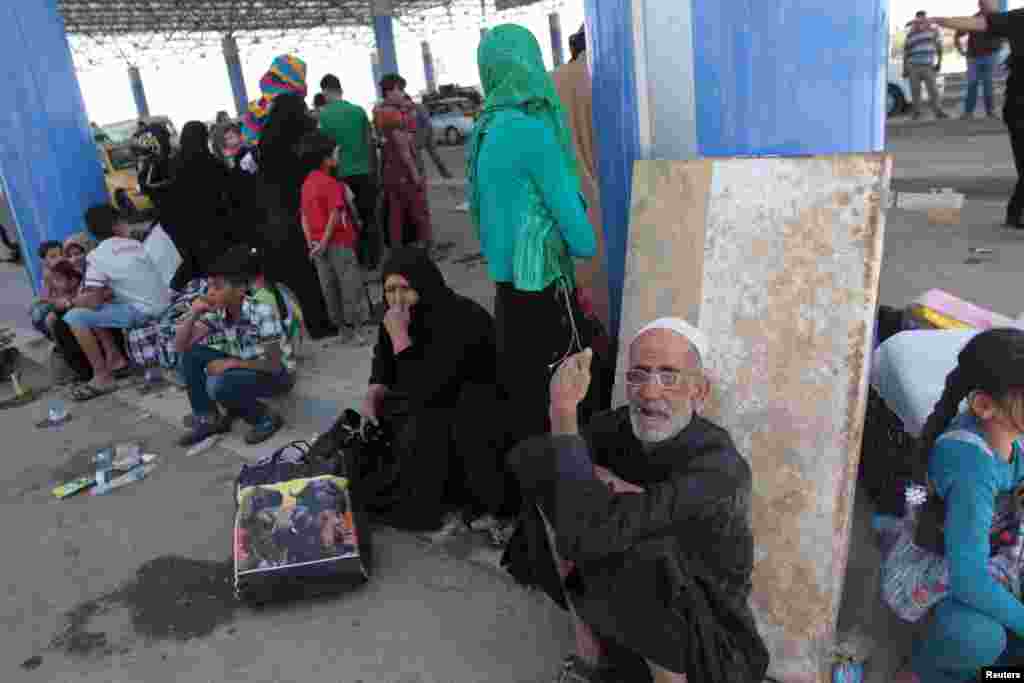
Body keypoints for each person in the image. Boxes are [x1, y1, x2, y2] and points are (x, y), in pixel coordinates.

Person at [505, 318, 769, 683]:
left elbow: (588, 533)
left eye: (669, 376)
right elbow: (527, 458)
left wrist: (565, 418)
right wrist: (601, 479)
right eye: (639, 375)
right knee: (558, 485)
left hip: (708, 644)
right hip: (630, 620)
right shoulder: (621, 428)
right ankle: (590, 653)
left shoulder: (719, 468)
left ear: (700, 391)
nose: (649, 392)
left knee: (645, 552)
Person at [467, 24, 600, 456]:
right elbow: (583, 241)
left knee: (528, 424)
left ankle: (534, 518)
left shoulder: (483, 132)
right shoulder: (532, 131)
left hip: (509, 305)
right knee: (565, 424)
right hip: (547, 307)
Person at [890, 329, 1024, 683]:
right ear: (984, 406)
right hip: (944, 572)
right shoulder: (971, 468)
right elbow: (968, 580)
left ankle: (1002, 670)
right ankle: (921, 673)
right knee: (979, 638)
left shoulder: (1006, 437)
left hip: (989, 549)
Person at [360, 247, 510, 540]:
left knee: (422, 432)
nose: (398, 299)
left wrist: (401, 339)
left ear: (424, 284)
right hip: (428, 401)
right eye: (390, 290)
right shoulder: (393, 319)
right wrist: (373, 392)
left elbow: (430, 388)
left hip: (471, 409)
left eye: (406, 288)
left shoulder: (461, 318)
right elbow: (384, 366)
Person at [174, 245, 295, 447]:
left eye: (218, 287)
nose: (210, 293)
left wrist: (230, 363)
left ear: (239, 290)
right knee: (191, 354)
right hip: (246, 368)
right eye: (210, 287)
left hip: (278, 375)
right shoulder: (219, 313)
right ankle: (208, 418)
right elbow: (180, 346)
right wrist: (193, 313)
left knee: (219, 383)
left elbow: (274, 365)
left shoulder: (261, 312)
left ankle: (264, 417)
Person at [63, 205, 171, 401]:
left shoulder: (97, 256)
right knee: (95, 310)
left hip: (142, 312)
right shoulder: (136, 245)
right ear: (116, 225)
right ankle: (115, 358)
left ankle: (102, 376)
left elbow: (93, 301)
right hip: (163, 305)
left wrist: (73, 301)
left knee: (74, 316)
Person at [933, 8, 1024, 228]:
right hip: (1020, 106)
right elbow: (978, 24)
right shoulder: (1018, 18)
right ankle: (1015, 213)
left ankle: (1015, 213)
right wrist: (940, 20)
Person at [256, 92, 335, 339]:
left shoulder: (267, 137)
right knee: (306, 275)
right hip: (294, 214)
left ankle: (280, 329)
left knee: (281, 281)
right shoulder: (297, 139)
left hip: (269, 217)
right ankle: (319, 325)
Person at [552, 24, 610, 334]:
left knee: (582, 315)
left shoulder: (549, 83)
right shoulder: (610, 77)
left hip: (567, 211)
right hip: (613, 203)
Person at [298, 131, 369, 344]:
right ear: (326, 159)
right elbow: (336, 214)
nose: (338, 156)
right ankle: (355, 331)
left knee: (329, 288)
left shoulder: (307, 183)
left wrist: (312, 242)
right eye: (336, 152)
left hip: (318, 245)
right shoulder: (330, 183)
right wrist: (325, 241)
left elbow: (303, 216)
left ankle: (342, 332)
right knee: (349, 285)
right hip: (339, 243)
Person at [318, 74, 381, 270]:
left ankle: (359, 260)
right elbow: (371, 142)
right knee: (370, 216)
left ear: (326, 92)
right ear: (340, 89)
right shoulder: (358, 111)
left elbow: (323, 149)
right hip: (365, 172)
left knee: (349, 221)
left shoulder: (323, 116)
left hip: (340, 176)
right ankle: (374, 260)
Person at [164, 121, 236, 288]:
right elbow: (229, 193)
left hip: (186, 230)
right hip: (216, 229)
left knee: (196, 269)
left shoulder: (173, 165)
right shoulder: (214, 164)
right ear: (204, 138)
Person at [376, 74, 434, 256]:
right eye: (399, 89)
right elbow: (403, 148)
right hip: (403, 171)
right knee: (418, 211)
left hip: (389, 171)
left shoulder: (379, 111)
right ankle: (426, 249)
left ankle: (396, 251)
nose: (402, 93)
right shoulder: (392, 114)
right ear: (390, 90)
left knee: (396, 214)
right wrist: (415, 173)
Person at [956, 0, 1003, 120]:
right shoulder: (973, 19)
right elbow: (958, 34)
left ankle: (990, 112)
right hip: (973, 58)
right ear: (979, 5)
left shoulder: (998, 18)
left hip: (991, 56)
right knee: (972, 84)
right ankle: (968, 113)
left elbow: (1007, 34)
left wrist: (999, 48)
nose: (986, 5)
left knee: (988, 84)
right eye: (983, 3)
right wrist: (960, 50)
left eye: (987, 3)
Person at [29, 241, 81, 340]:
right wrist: (39, 301)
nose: (59, 258)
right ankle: (55, 342)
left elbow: (76, 290)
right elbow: (47, 294)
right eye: (53, 256)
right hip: (60, 302)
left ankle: (59, 343)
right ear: (44, 261)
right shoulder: (47, 273)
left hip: (73, 301)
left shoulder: (70, 268)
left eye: (61, 254)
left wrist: (61, 300)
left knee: (49, 318)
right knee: (36, 312)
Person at [905, 11, 950, 120]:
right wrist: (905, 68)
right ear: (916, 20)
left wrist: (939, 62)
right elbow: (906, 52)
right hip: (913, 66)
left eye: (923, 20)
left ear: (926, 20)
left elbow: (939, 48)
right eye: (918, 20)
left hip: (928, 66)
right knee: (915, 91)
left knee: (933, 91)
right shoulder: (910, 34)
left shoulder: (934, 31)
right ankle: (917, 113)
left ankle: (938, 111)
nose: (920, 22)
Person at [406, 94, 452, 180]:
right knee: (417, 159)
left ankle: (445, 173)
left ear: (409, 100)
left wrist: (423, 138)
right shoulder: (406, 110)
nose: (404, 105)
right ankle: (422, 176)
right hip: (416, 136)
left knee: (435, 156)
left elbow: (427, 123)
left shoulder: (419, 107)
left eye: (405, 102)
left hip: (427, 135)